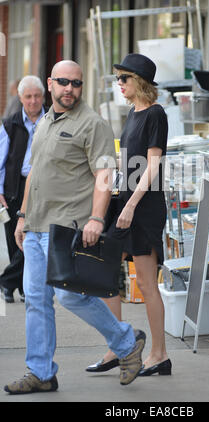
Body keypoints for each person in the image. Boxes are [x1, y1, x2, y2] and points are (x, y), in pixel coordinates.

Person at [4, 60, 146, 395]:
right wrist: (22, 216)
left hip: (67, 228)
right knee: (36, 301)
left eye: (77, 84)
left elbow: (104, 175)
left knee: (70, 296)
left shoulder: (91, 123)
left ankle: (126, 342)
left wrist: (96, 219)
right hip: (36, 226)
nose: (70, 89)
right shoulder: (44, 122)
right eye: (64, 82)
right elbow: (36, 172)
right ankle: (40, 372)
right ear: (51, 84)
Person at [86, 53, 171, 377]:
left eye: (124, 78)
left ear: (141, 83)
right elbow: (127, 164)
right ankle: (118, 346)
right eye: (118, 78)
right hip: (126, 202)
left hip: (144, 207)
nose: (118, 84)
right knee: (106, 274)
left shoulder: (155, 114)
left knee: (148, 284)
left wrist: (132, 205)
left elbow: (153, 166)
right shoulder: (132, 114)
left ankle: (159, 354)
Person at [0, 76, 46, 303]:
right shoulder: (9, 123)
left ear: (43, 97)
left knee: (31, 238)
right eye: (28, 96)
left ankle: (7, 282)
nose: (33, 101)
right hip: (14, 188)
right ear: (20, 98)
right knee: (13, 240)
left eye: (37, 96)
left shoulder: (52, 119)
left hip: (44, 187)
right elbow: (0, 159)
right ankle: (20, 286)